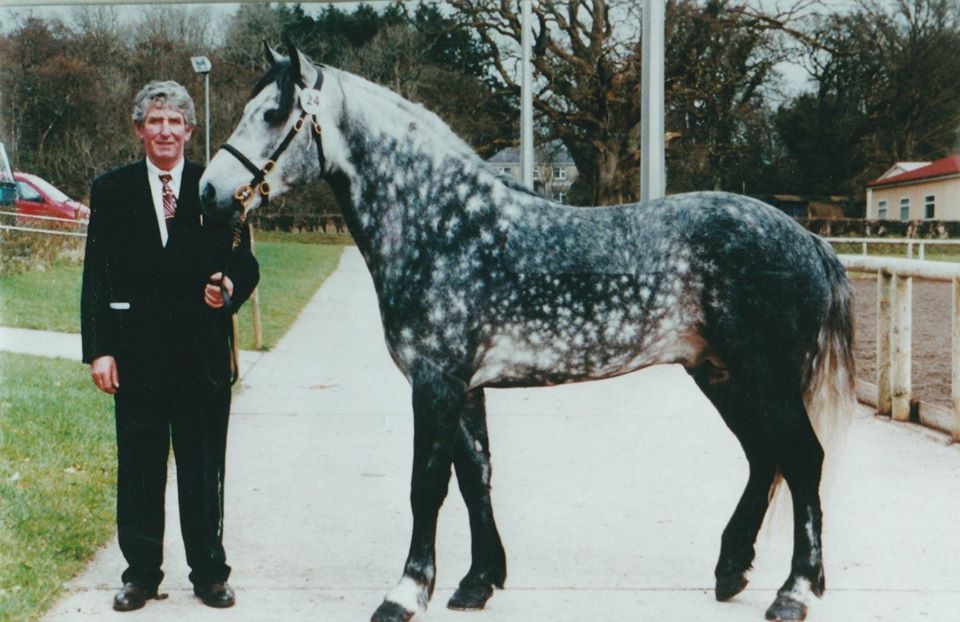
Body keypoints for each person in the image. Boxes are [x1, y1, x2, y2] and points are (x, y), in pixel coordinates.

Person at [80, 80, 259, 612]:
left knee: (204, 468)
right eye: (154, 121)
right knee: (139, 466)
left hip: (201, 357)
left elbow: (244, 265)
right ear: (139, 130)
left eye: (174, 121)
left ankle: (209, 572)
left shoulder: (216, 186)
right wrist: (100, 350)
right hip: (137, 359)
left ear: (188, 130)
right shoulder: (112, 190)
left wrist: (227, 288)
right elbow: (97, 278)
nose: (164, 131)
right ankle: (140, 573)